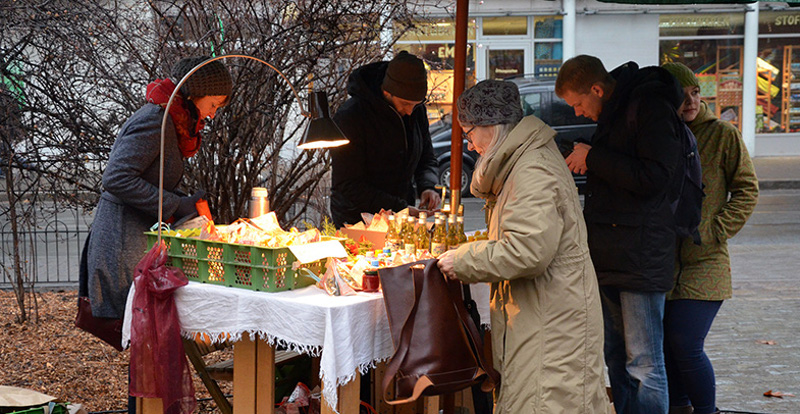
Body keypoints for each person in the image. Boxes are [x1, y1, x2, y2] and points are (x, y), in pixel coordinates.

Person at [436, 79, 609, 413]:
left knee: (546, 403)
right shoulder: (522, 161)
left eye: (469, 133)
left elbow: (527, 250)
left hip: (553, 324)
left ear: (491, 125)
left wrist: (462, 259)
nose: (470, 146)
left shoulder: (531, 169)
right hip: (546, 315)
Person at [555, 55, 685, 414]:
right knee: (615, 355)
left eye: (579, 104)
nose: (579, 113)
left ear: (597, 89)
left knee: (643, 361)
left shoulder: (649, 106)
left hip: (640, 256)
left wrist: (594, 157)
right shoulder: (615, 110)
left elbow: (655, 177)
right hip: (611, 254)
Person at [661, 62, 759, 414]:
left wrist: (714, 230)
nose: (690, 101)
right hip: (663, 262)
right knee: (665, 348)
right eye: (681, 94)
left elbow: (747, 190)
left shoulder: (722, 134)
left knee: (685, 342)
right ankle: (679, 408)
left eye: (695, 93)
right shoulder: (660, 134)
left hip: (706, 260)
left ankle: (707, 411)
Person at [330, 51, 440, 227]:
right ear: (387, 91)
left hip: (401, 215)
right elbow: (349, 185)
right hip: (357, 220)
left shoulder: (416, 111)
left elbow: (426, 156)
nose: (410, 111)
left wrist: (428, 186)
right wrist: (401, 207)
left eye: (416, 104)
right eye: (405, 104)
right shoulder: (351, 117)